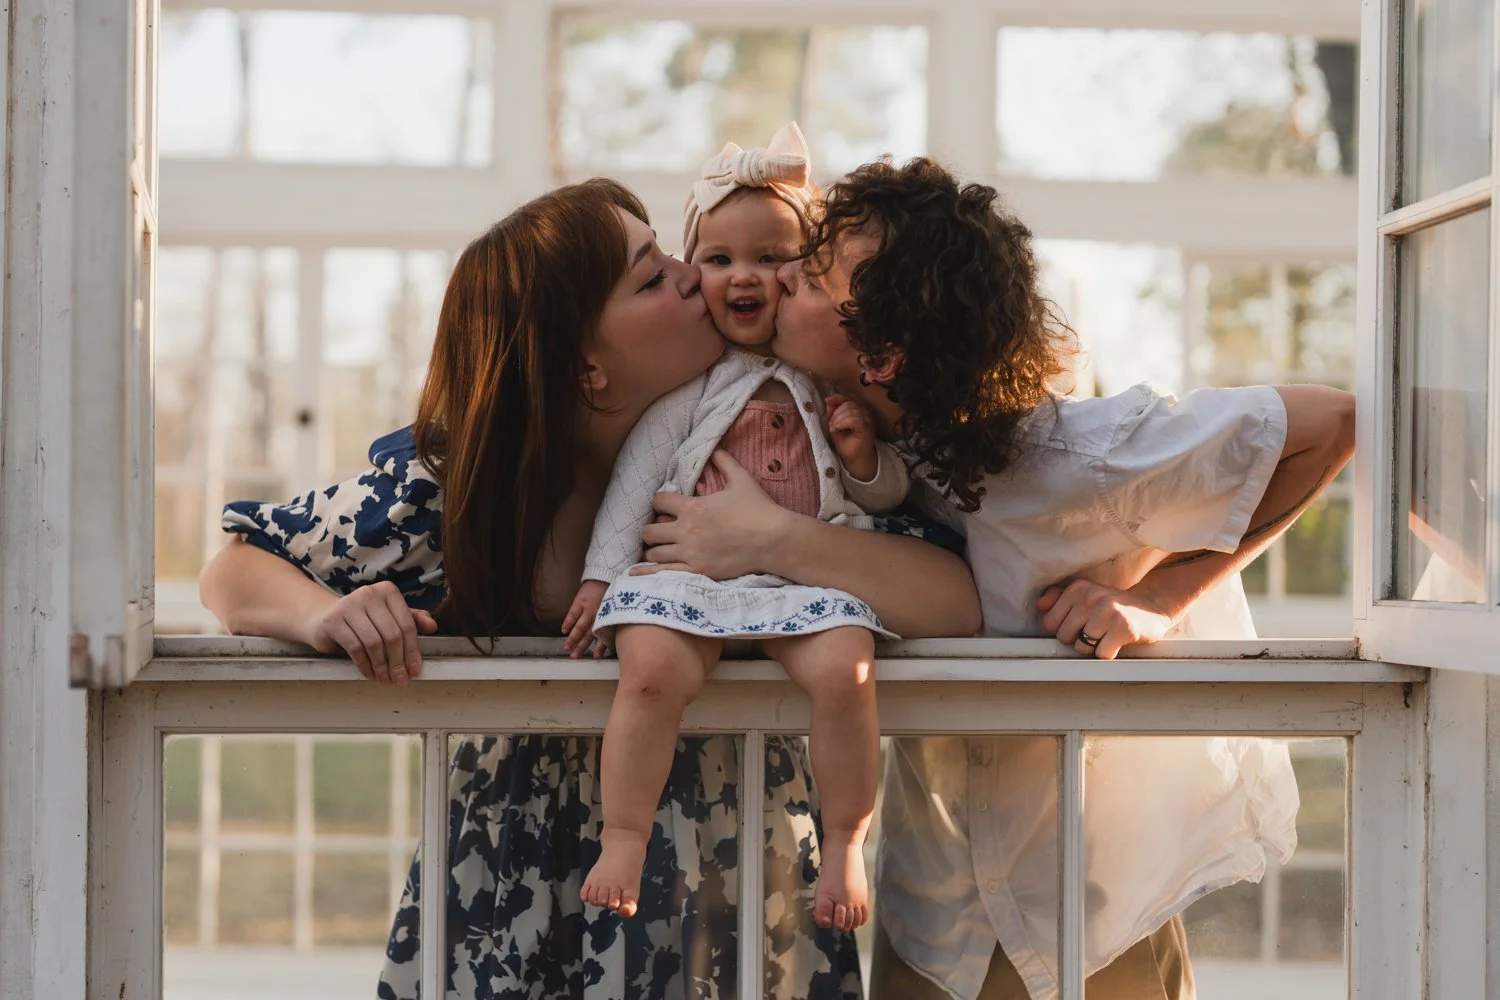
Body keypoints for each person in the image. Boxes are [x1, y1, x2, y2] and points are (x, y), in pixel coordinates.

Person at [198, 176, 981, 1000]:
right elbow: (233, 571)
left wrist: (773, 538)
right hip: (523, 884)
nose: (692, 273)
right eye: (652, 276)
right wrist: (326, 614)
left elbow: (952, 599)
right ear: (586, 368)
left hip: (740, 872)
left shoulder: (778, 446)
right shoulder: (460, 494)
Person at [638, 158, 1356, 1000]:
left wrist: (1159, 597)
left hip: (1087, 914)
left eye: (812, 274)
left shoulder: (1077, 456)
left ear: (883, 352)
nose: (780, 274)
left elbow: (1328, 423)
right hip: (930, 913)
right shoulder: (848, 444)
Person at [565, 123, 902, 933]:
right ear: (697, 270)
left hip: (799, 584)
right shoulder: (691, 386)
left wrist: (861, 461)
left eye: (772, 258)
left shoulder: (824, 378)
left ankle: (848, 837)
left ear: (810, 271)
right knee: (648, 671)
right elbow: (637, 478)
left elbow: (886, 499)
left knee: (847, 673)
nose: (743, 277)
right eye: (718, 261)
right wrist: (602, 574)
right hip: (693, 580)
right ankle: (624, 835)